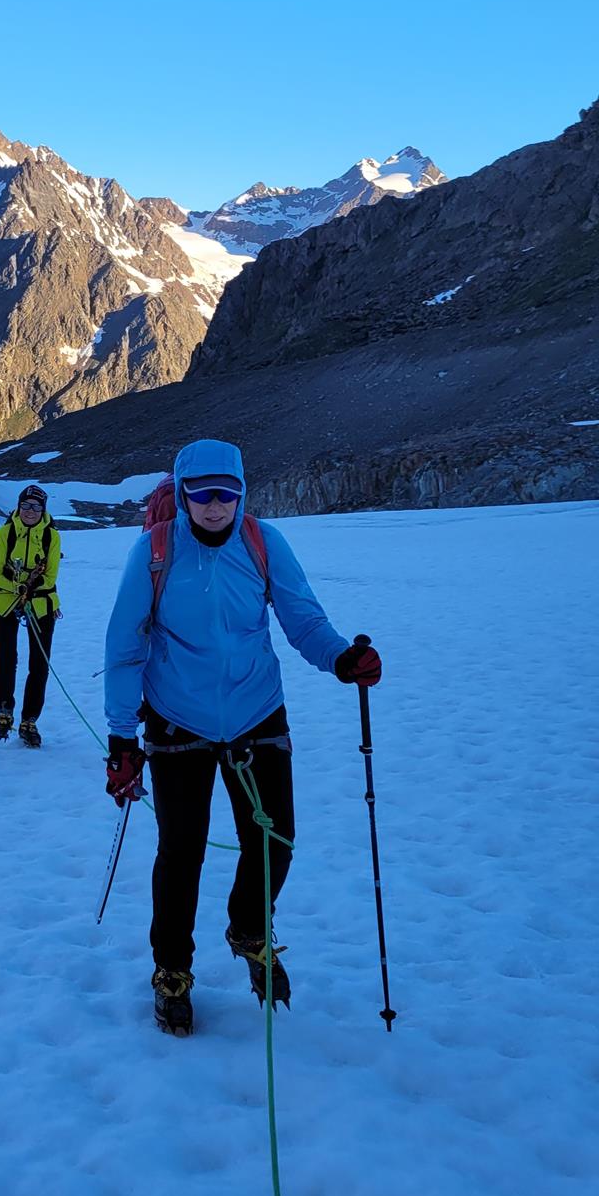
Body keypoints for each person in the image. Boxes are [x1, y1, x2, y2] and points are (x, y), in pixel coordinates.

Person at [101, 440, 382, 1035]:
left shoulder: (262, 542)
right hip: (177, 720)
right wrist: (122, 738)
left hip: (258, 713)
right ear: (182, 493)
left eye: (226, 493)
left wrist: (340, 658)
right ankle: (172, 970)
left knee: (275, 840)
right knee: (182, 853)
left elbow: (303, 619)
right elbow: (125, 645)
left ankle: (250, 927)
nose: (214, 505)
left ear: (242, 493)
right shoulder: (154, 551)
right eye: (201, 493)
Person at [0, 485, 61, 748]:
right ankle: (4, 711)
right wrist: (18, 587)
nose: (30, 511)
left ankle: (30, 720)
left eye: (36, 506)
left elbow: (50, 576)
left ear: (43, 510)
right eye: (25, 505)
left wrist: (30, 588)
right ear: (18, 507)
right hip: (4, 601)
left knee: (39, 663)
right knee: (7, 658)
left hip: (41, 603)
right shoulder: (5, 533)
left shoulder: (51, 536)